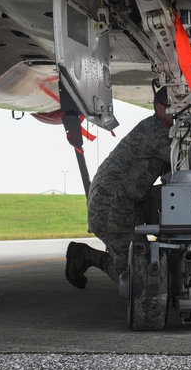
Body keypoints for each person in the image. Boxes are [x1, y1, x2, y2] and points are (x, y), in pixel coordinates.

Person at [65, 87, 174, 287]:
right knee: (139, 275)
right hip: (111, 207)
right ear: (160, 108)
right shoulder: (153, 132)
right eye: (175, 107)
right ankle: (86, 256)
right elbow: (186, 158)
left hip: (128, 203)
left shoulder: (163, 131)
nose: (179, 113)